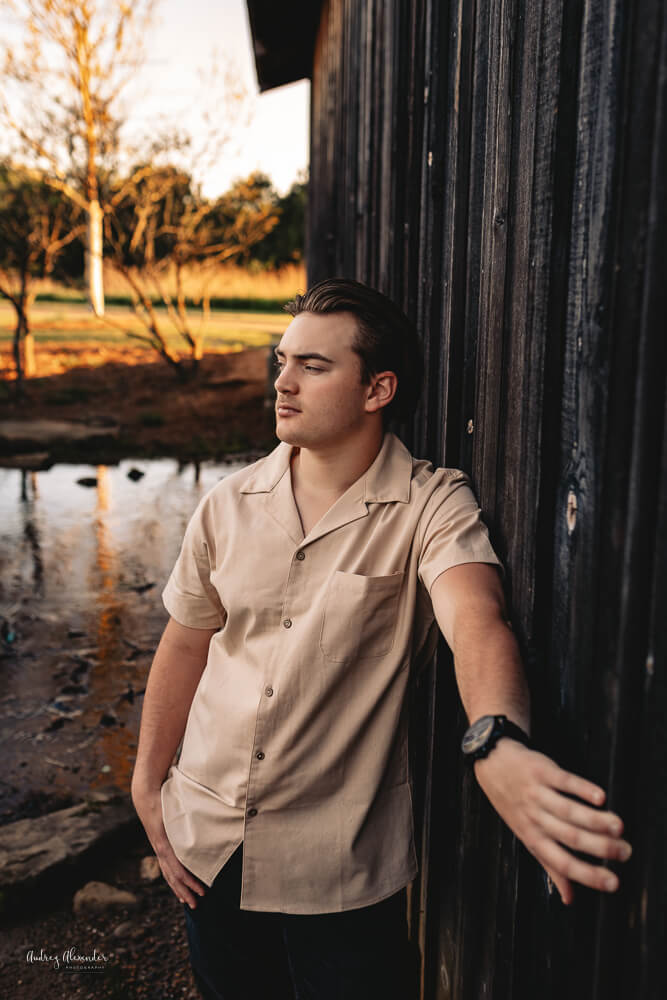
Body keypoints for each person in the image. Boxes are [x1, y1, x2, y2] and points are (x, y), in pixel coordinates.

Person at [131, 278, 632, 1000]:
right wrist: (148, 783)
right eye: (283, 360)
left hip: (337, 867)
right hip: (206, 840)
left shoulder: (432, 502)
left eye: (313, 365)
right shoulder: (226, 504)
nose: (282, 382)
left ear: (378, 389)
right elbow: (185, 645)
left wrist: (495, 738)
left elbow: (475, 619)